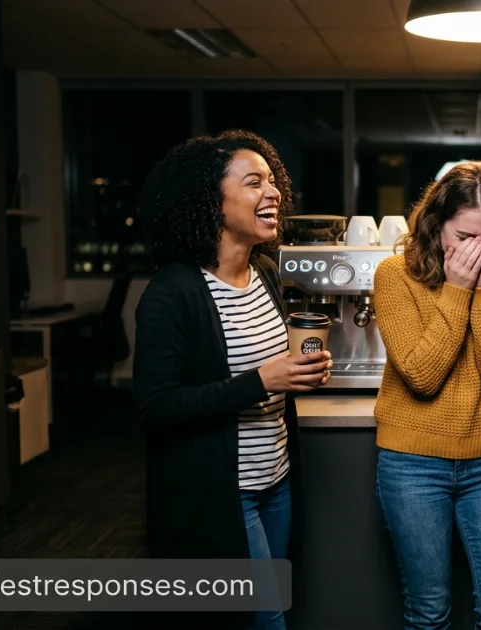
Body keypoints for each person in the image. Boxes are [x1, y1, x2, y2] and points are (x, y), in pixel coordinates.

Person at [133, 129, 332, 630]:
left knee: (268, 610)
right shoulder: (173, 292)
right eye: (252, 183)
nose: (272, 194)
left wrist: (298, 374)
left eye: (272, 182)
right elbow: (155, 409)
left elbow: (268, 375)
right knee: (264, 620)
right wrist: (263, 380)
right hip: (221, 493)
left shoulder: (265, 272)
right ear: (212, 202)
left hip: (277, 481)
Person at [372, 161, 481, 630]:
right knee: (429, 612)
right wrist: (458, 290)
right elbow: (423, 375)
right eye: (466, 238)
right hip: (412, 462)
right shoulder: (395, 275)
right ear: (436, 226)